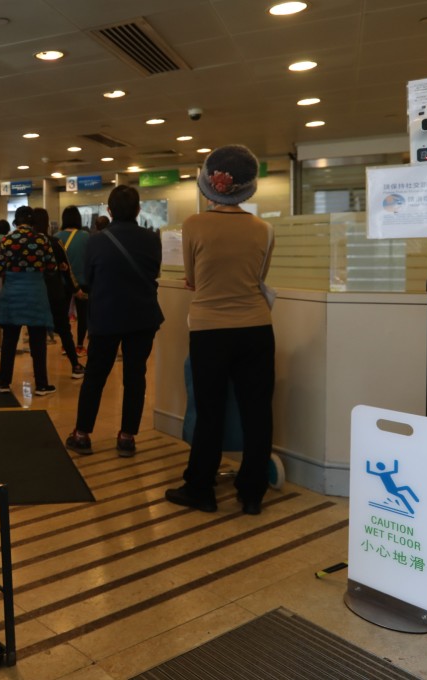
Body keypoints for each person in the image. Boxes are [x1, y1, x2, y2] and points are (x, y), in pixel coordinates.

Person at [165, 144, 275, 516]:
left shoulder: (194, 224)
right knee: (258, 411)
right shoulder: (264, 229)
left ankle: (201, 488)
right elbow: (259, 278)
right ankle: (252, 491)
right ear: (248, 187)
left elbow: (193, 279)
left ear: (207, 184)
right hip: (257, 327)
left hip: (209, 329)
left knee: (209, 410)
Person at [65, 186, 163, 456]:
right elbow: (153, 271)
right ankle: (127, 437)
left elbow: (87, 280)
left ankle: (82, 434)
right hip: (142, 316)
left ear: (109, 210)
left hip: (106, 316)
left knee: (95, 376)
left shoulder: (96, 241)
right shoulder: (152, 239)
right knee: (135, 376)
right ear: (138, 210)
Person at [0, 204, 56, 395]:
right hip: (35, 294)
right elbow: (51, 267)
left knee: (9, 341)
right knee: (38, 341)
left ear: (16, 221)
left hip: (12, 294)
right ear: (32, 221)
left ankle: (4, 382)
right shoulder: (41, 239)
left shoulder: (7, 240)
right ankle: (41, 385)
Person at [31, 207, 84, 378]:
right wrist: (76, 289)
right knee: (63, 329)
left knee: (37, 335)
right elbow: (66, 270)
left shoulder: (27, 243)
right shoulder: (53, 242)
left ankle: (40, 378)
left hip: (35, 294)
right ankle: (75, 366)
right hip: (54, 293)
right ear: (47, 223)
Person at [56, 205, 89, 355]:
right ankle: (80, 346)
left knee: (63, 316)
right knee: (83, 316)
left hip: (63, 282)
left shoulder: (56, 237)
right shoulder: (86, 237)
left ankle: (65, 345)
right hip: (82, 282)